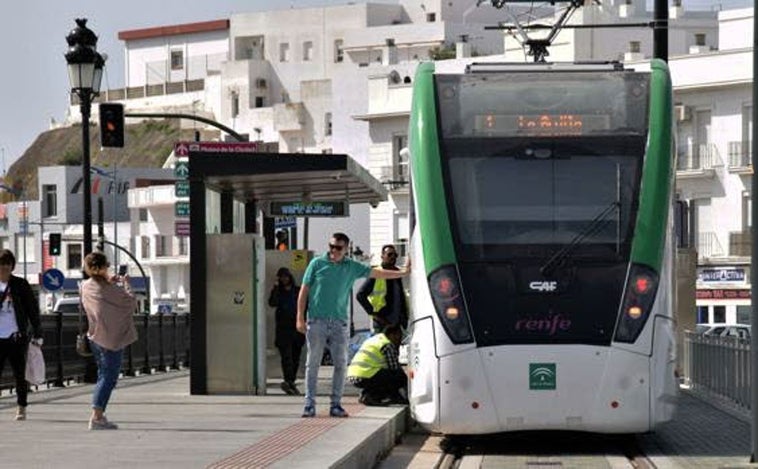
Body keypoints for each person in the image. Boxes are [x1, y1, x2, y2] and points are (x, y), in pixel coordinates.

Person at [296, 232, 410, 418]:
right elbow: (304, 290)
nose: (333, 251)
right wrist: (300, 318)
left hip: (340, 323)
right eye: (331, 246)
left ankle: (336, 405)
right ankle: (309, 404)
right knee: (313, 363)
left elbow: (377, 272)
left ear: (346, 249)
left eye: (338, 247)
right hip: (317, 320)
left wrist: (404, 272)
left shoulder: (351, 266)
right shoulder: (316, 264)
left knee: (341, 364)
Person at [81, 252, 138, 430]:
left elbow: (101, 301)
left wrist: (108, 280)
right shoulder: (109, 288)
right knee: (109, 377)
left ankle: (100, 415)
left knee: (103, 374)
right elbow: (130, 302)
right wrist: (126, 283)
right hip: (111, 337)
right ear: (105, 266)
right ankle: (97, 416)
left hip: (95, 336)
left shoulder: (85, 286)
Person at [0, 249, 43, 421]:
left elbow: (32, 309)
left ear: (12, 266)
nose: (4, 267)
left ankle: (21, 406)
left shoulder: (20, 284)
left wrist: (37, 331)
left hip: (16, 336)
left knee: (20, 374)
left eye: (7, 264)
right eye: (1, 264)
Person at [347, 325, 408, 406]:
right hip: (365, 375)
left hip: (353, 376)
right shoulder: (386, 344)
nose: (399, 341)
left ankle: (367, 394)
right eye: (399, 337)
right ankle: (377, 397)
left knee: (383, 375)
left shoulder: (374, 339)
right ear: (393, 334)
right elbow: (394, 368)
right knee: (398, 376)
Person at [268, 267, 305, 395]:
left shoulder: (297, 291)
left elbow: (306, 304)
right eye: (281, 277)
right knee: (286, 357)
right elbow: (272, 303)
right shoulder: (279, 291)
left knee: (295, 357)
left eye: (286, 276)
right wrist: (276, 288)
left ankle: (291, 382)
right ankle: (288, 381)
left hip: (297, 329)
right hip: (283, 330)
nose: (284, 279)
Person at [356, 244, 409, 334]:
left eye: (395, 255)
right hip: (382, 324)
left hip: (398, 324)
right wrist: (374, 314)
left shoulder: (398, 273)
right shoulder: (376, 273)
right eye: (389, 255)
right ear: (382, 256)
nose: (393, 257)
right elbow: (360, 295)